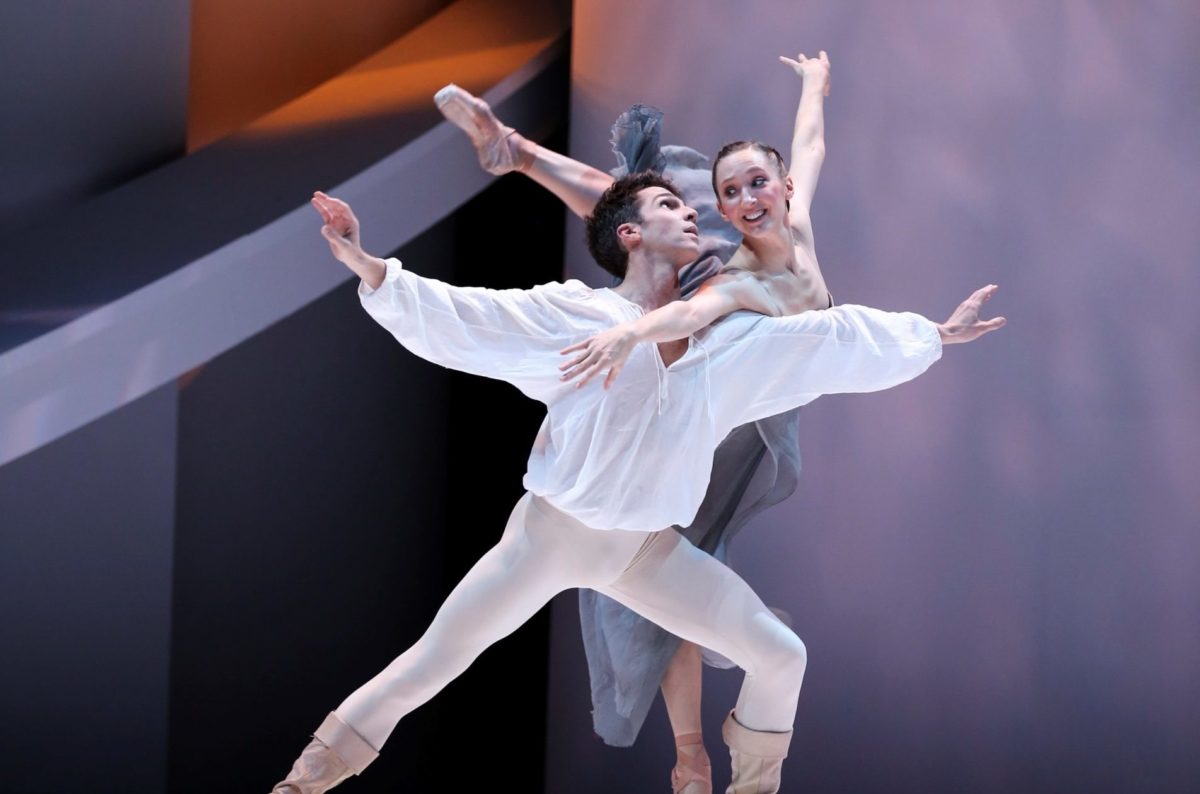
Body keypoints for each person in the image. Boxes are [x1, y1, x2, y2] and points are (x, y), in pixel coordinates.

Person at [271, 175, 1000, 794]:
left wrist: (931, 335)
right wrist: (370, 266)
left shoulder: (724, 340)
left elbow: (823, 343)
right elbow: (474, 317)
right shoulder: (581, 315)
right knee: (425, 670)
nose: (691, 213)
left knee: (782, 656)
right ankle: (299, 787)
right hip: (550, 538)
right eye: (669, 206)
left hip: (646, 551)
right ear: (629, 234)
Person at [435, 50, 855, 792]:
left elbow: (811, 146)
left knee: (679, 566)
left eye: (759, 184)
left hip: (752, 416)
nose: (747, 199)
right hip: (710, 409)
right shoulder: (731, 277)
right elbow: (686, 310)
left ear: (784, 187)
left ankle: (699, 751)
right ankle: (692, 753)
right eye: (731, 192)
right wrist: (629, 334)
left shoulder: (797, 226)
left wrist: (815, 85)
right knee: (667, 562)